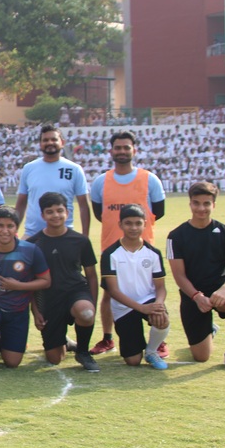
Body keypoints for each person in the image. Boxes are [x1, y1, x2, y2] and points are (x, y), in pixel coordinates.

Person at [89, 130, 166, 356]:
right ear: (111, 151)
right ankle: (107, 338)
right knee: (109, 294)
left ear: (134, 150)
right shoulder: (101, 182)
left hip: (143, 250)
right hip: (111, 249)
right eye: (118, 148)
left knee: (150, 292)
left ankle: (158, 339)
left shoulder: (150, 179)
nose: (122, 151)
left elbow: (158, 212)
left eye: (126, 147)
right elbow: (100, 213)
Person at [166, 182, 225, 371]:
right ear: (190, 204)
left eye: (206, 203)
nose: (201, 208)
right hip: (193, 295)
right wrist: (196, 296)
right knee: (201, 357)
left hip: (220, 290)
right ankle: (209, 330)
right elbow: (179, 276)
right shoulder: (176, 236)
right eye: (196, 203)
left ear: (213, 205)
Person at [0, 207, 51, 372]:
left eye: (10, 226)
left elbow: (46, 281)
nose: (5, 230)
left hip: (17, 309)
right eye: (0, 226)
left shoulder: (30, 250)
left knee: (12, 363)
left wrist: (18, 286)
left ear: (16, 228)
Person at [28, 192, 100, 372]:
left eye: (60, 210)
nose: (56, 215)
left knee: (86, 313)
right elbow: (30, 281)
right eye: (50, 212)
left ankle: (83, 351)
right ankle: (64, 341)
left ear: (67, 212)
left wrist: (92, 303)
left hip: (76, 292)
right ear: (43, 215)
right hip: (50, 299)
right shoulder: (33, 244)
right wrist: (35, 310)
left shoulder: (80, 241)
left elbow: (91, 275)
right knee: (55, 359)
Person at [100, 204, 170, 370]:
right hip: (124, 307)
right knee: (133, 361)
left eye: (138, 223)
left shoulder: (153, 253)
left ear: (145, 224)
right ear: (120, 225)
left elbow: (161, 287)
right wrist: (141, 308)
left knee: (162, 318)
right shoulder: (110, 254)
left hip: (148, 300)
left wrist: (158, 304)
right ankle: (137, 345)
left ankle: (152, 351)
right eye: (128, 223)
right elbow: (113, 291)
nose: (133, 227)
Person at [14, 125, 90, 239]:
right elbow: (21, 203)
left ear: (62, 142)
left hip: (64, 235)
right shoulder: (29, 168)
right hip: (32, 234)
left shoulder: (74, 169)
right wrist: (14, 231)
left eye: (54, 139)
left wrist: (85, 236)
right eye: (45, 140)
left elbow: (83, 205)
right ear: (40, 144)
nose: (50, 142)